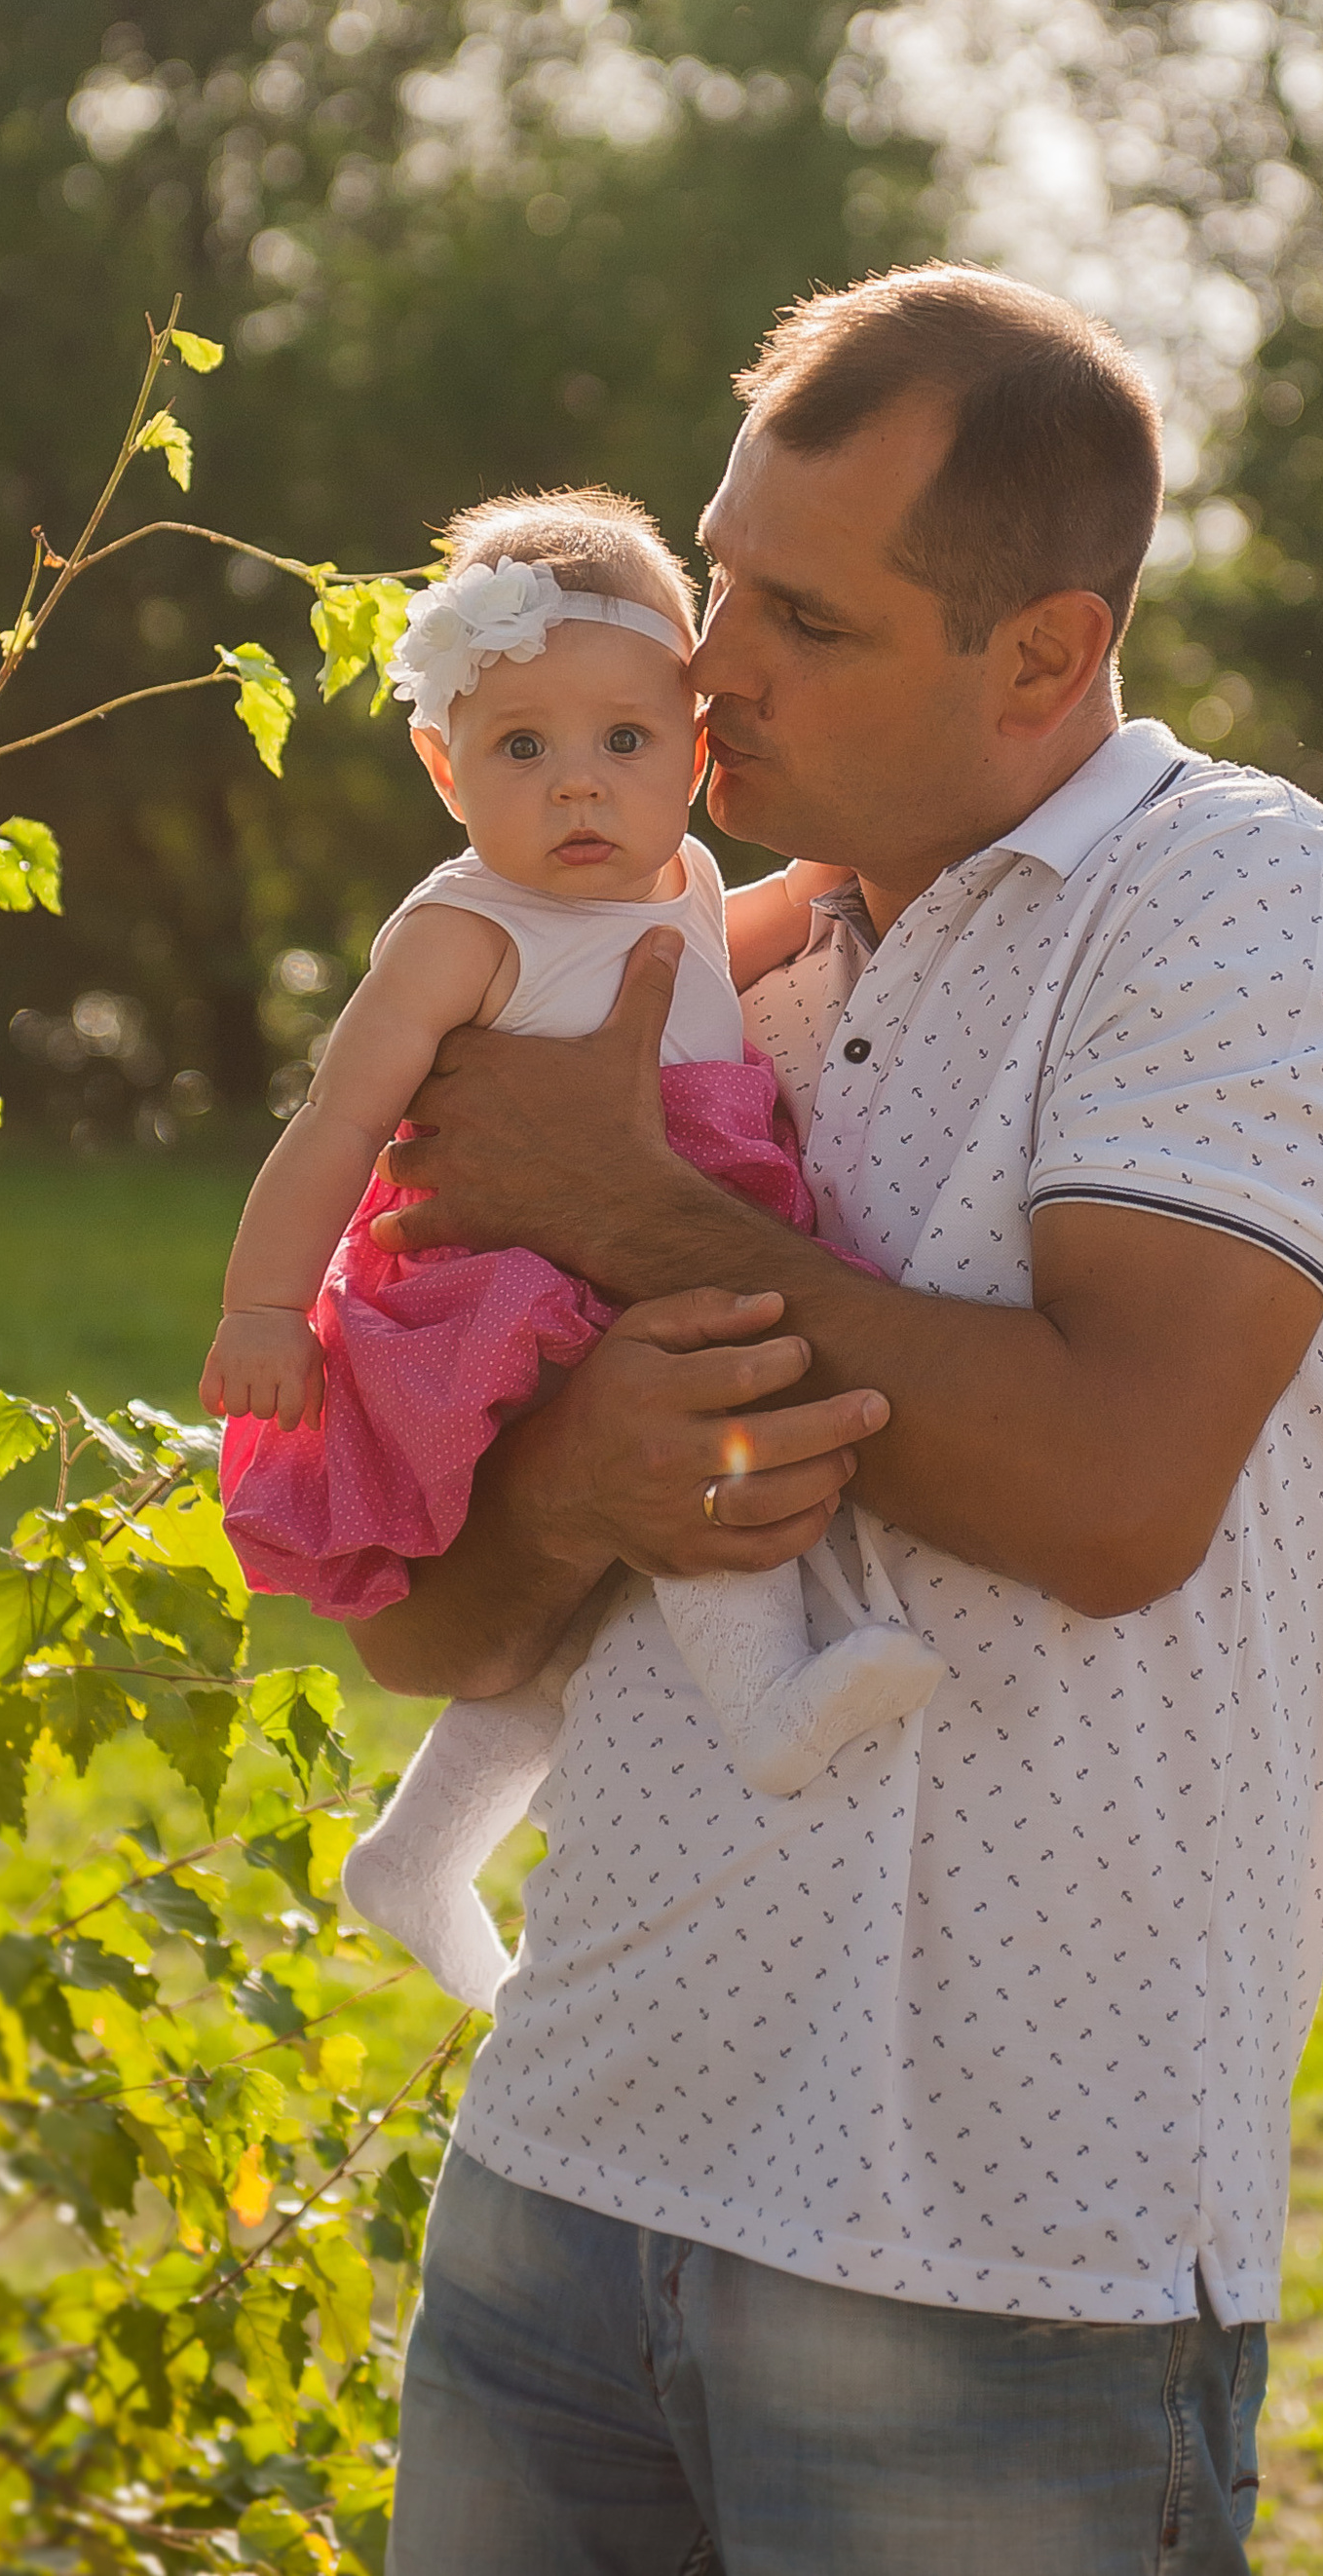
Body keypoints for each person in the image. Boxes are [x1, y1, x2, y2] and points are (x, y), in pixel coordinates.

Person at [351, 265, 1323, 2576]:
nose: (705, 661)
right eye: (721, 570)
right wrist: (566, 1471)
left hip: (996, 2248)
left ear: (1044, 655)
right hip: (569, 2157)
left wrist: (618, 1206)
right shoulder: (678, 960)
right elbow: (432, 1629)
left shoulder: (1236, 908)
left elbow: (1107, 1487)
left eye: (809, 621)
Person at [202, 485, 940, 2012]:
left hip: (645, 1229)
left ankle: (417, 1853)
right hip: (517, 1295)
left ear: (693, 748)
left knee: (592, 1587)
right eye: (521, 747)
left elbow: (680, 976)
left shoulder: (678, 881)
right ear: (442, 762)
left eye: (624, 741)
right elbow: (337, 1123)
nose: (580, 789)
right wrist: (264, 1302)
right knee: (682, 1448)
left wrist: (816, 899)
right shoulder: (461, 930)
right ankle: (769, 1707)